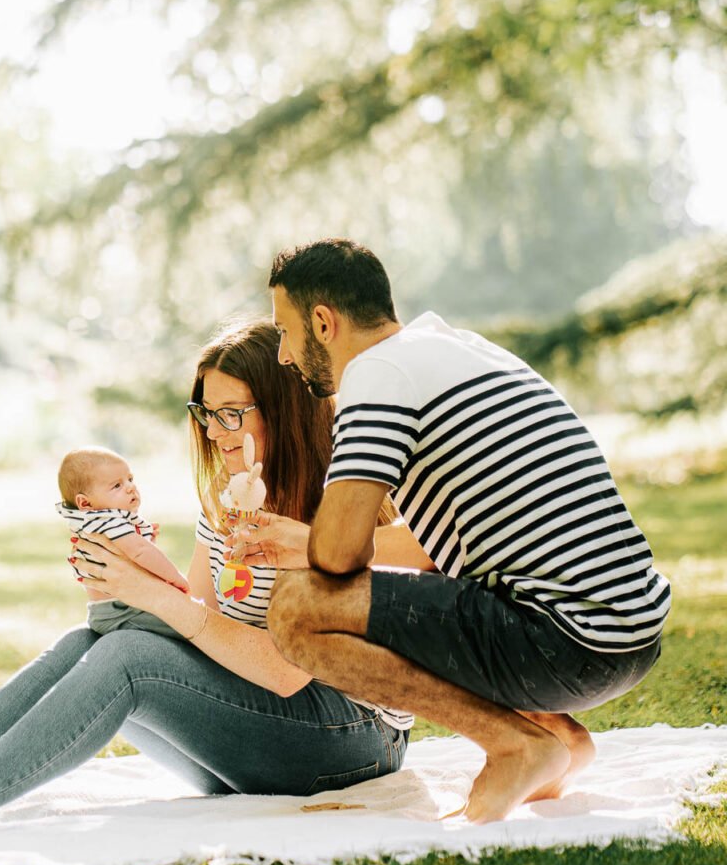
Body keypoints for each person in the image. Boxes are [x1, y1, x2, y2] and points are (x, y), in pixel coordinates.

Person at [0, 320, 411, 849]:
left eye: (234, 412)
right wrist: (118, 589)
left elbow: (285, 673)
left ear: (280, 409)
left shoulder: (331, 502)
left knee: (129, 658)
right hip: (272, 731)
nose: (217, 431)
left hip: (352, 736)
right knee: (90, 644)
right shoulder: (225, 501)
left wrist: (150, 597)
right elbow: (202, 617)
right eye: (207, 412)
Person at [263, 238, 671, 825]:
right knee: (431, 597)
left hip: (567, 641)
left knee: (299, 608)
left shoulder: (377, 372)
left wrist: (311, 545)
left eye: (284, 330)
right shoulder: (456, 348)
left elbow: (338, 557)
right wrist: (303, 540)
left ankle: (516, 746)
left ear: (322, 322)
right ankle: (555, 737)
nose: (282, 354)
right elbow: (434, 549)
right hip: (629, 635)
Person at [56, 445, 190, 638]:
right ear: (85, 503)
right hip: (121, 611)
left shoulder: (91, 522)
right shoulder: (107, 521)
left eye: (130, 479)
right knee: (184, 626)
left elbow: (133, 554)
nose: (130, 487)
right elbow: (140, 552)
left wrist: (146, 539)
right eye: (117, 485)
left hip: (107, 611)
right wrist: (176, 578)